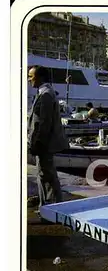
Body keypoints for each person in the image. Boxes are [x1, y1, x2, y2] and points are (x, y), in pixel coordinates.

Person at [28, 65, 69, 216]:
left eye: (31, 77)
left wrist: (37, 143)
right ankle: (49, 205)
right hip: (44, 143)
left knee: (46, 175)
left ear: (40, 77)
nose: (28, 80)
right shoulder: (46, 92)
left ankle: (51, 207)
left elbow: (44, 123)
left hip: (44, 144)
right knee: (46, 175)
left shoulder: (45, 95)